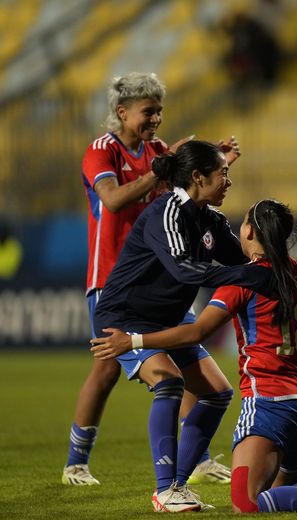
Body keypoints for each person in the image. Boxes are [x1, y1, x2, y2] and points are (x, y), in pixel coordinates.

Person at [90, 199, 297, 513]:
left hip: (268, 403)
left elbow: (197, 332)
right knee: (277, 494)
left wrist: (132, 341)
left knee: (247, 502)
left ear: (248, 231)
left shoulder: (244, 281)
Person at [64, 72, 238, 487]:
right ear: (121, 113)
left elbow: (187, 190)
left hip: (166, 276)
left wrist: (216, 165)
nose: (156, 118)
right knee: (107, 370)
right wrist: (156, 174)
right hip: (114, 279)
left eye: (159, 110)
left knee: (189, 355)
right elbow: (112, 199)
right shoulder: (101, 151)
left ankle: (190, 460)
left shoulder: (160, 152)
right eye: (148, 110)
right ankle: (76, 461)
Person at [90, 140, 276, 512]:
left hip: (169, 315)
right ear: (197, 177)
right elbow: (184, 269)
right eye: (223, 173)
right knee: (170, 382)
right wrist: (252, 276)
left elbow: (241, 258)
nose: (229, 181)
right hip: (126, 317)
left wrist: (269, 262)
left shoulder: (210, 220)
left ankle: (176, 485)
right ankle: (164, 490)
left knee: (217, 393)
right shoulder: (168, 212)